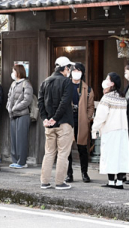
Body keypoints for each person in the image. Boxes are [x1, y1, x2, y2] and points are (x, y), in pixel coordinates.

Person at [38, 56, 75, 190]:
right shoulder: (67, 82)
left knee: (49, 153)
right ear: (65, 68)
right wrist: (56, 117)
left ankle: (45, 182)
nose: (69, 70)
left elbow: (40, 102)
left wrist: (45, 118)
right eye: (69, 68)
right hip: (64, 122)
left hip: (49, 124)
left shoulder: (45, 81)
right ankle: (60, 182)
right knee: (63, 153)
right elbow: (65, 102)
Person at [91, 72, 129, 189]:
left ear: (112, 83)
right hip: (123, 130)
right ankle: (119, 182)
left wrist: (94, 129)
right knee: (121, 156)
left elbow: (100, 116)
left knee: (110, 156)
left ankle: (111, 181)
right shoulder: (122, 97)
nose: (105, 80)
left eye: (107, 79)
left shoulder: (107, 98)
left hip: (110, 130)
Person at [65, 62, 94, 183]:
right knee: (67, 149)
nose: (76, 72)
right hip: (67, 120)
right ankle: (69, 174)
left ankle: (84, 173)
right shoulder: (65, 85)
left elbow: (90, 107)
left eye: (78, 70)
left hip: (81, 121)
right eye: (74, 70)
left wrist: (87, 119)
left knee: (82, 148)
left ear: (82, 73)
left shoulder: (88, 89)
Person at [6, 64, 33, 169]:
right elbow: (9, 97)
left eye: (13, 71)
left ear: (18, 72)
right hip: (13, 115)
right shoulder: (13, 84)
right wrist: (9, 107)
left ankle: (22, 162)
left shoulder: (26, 84)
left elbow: (27, 100)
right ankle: (15, 160)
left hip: (22, 115)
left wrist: (15, 108)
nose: (12, 73)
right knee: (14, 139)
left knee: (21, 139)